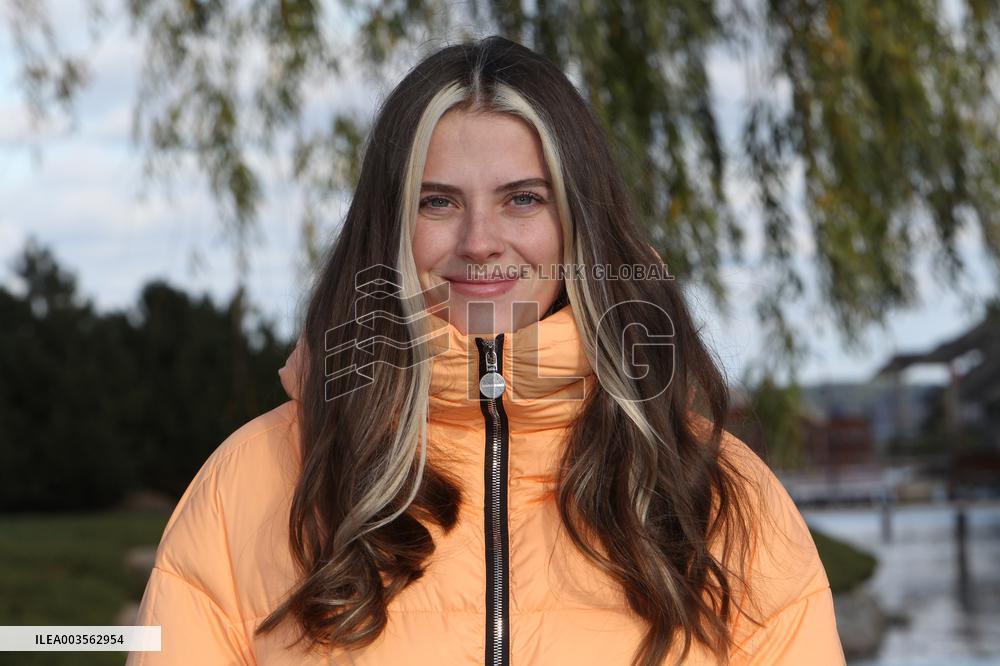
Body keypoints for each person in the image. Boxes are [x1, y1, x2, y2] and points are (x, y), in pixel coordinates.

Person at [126, 35, 846, 665]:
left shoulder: (718, 493)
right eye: (436, 202)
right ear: (388, 229)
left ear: (579, 224)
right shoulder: (249, 484)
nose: (479, 242)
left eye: (523, 199)